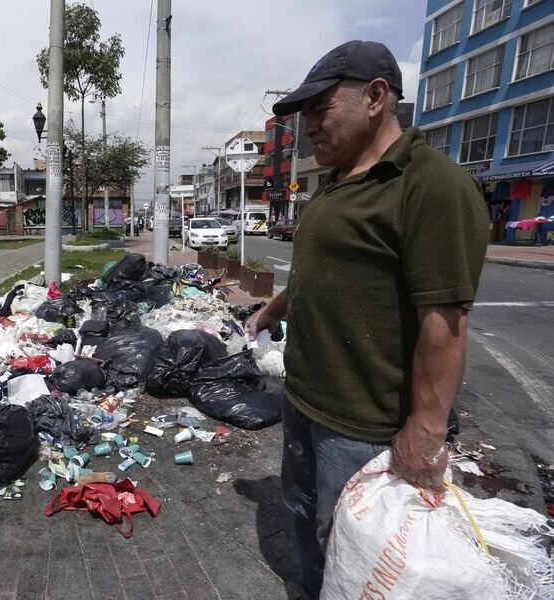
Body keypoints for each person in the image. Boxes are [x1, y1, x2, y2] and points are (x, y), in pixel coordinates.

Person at [248, 40, 487, 599]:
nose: (309, 127)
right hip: (305, 402)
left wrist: (424, 434)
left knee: (358, 556)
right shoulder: (335, 184)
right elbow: (317, 273)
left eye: (320, 109)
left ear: (376, 97)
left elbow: (444, 320)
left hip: (364, 430)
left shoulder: (432, 185)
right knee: (305, 522)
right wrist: (272, 307)